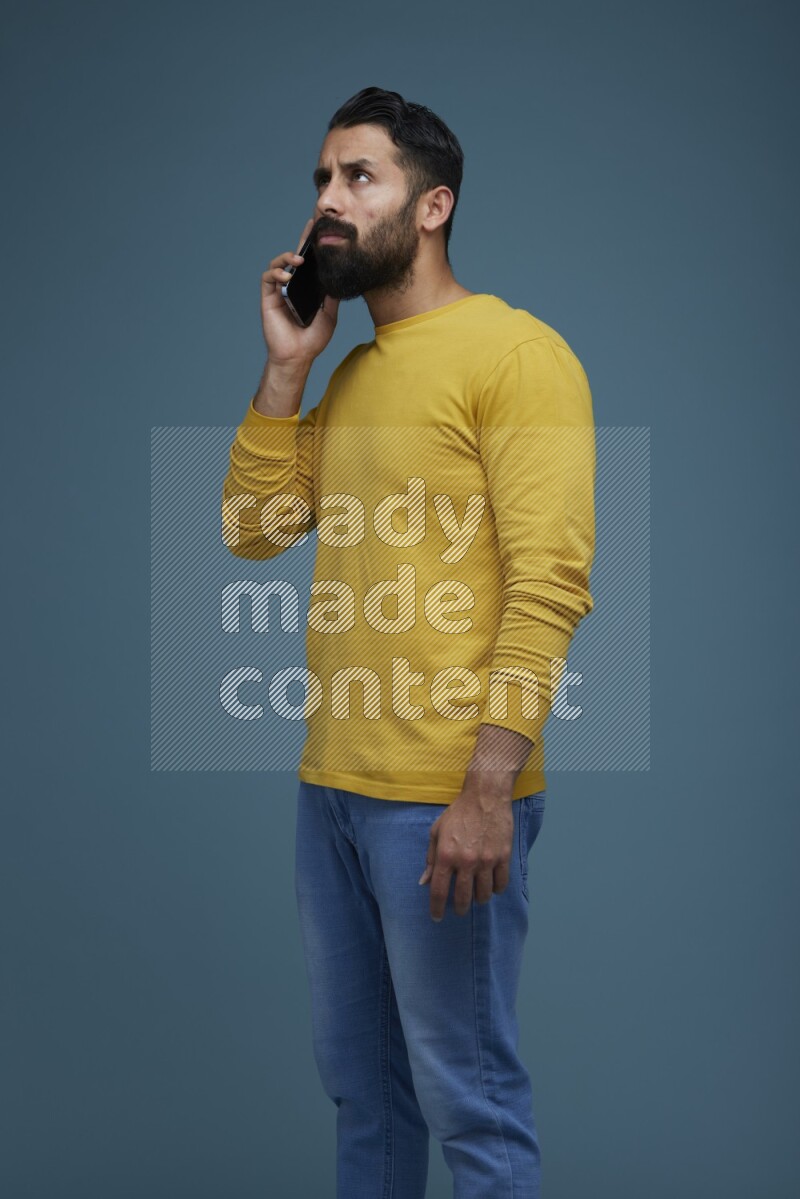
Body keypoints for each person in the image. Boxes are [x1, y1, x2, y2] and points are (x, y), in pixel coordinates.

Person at [221, 85, 595, 1199]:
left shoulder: (516, 355)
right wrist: (286, 369)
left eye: (357, 178)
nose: (326, 204)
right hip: (331, 788)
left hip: (445, 796)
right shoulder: (347, 375)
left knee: (465, 1100)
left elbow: (549, 582)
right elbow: (251, 531)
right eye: (321, 180)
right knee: (364, 1097)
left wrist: (486, 787)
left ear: (431, 206)